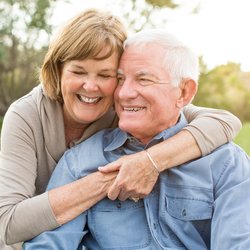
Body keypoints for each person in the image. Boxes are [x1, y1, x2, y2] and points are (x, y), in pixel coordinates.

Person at [0, 9, 241, 250]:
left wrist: (149, 161)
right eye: (78, 71)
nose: (92, 86)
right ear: (58, 71)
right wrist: (115, 177)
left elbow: (223, 122)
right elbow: (9, 224)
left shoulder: (126, 106)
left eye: (107, 75)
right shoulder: (35, 122)